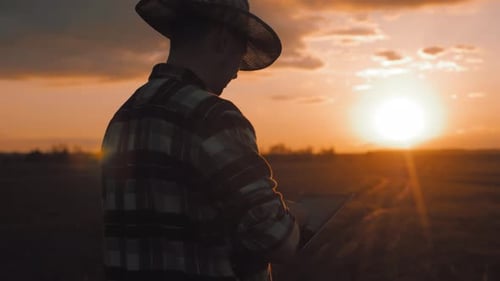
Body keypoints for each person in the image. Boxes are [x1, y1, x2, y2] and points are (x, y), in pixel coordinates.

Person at [101, 0, 303, 280]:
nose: (236, 72)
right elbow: (278, 241)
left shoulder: (123, 117)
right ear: (221, 40)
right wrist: (298, 221)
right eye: (239, 55)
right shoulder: (212, 116)